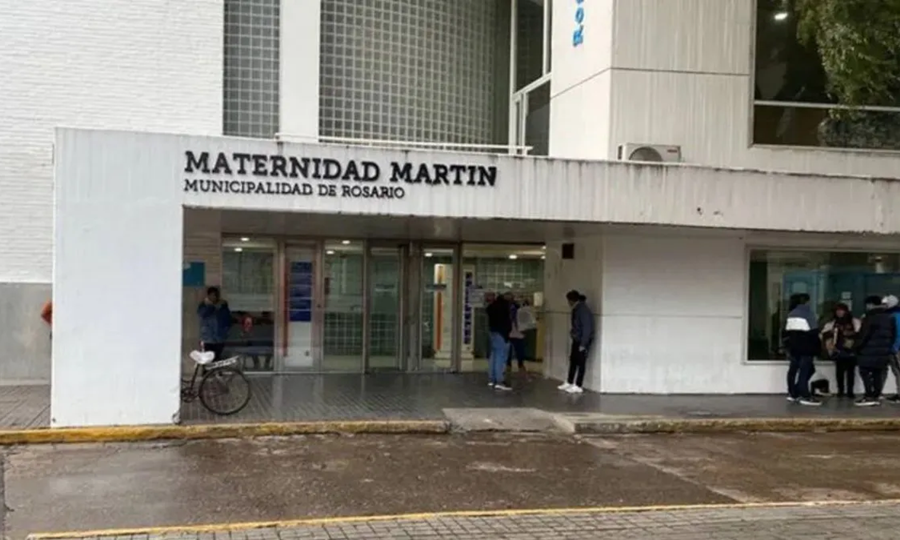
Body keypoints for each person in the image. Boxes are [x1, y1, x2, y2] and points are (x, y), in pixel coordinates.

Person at [853, 296, 897, 407]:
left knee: (865, 373)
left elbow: (864, 335)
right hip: (883, 351)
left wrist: (856, 347)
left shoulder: (870, 317)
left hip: (868, 351)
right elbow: (893, 335)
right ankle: (876, 395)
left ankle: (869, 395)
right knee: (878, 373)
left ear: (870, 305)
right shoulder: (889, 317)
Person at [783, 293, 821, 406]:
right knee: (806, 370)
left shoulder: (791, 314)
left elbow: (787, 332)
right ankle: (804, 394)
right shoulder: (808, 313)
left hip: (794, 347)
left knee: (793, 370)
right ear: (806, 301)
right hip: (807, 347)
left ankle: (793, 392)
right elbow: (814, 331)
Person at [820, 302, 860, 398]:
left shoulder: (854, 322)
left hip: (851, 350)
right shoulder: (832, 323)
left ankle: (850, 391)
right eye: (837, 311)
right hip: (838, 350)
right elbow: (823, 334)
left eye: (841, 310)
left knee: (851, 372)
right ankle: (840, 390)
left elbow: (859, 334)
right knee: (839, 372)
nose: (839, 312)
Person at [558, 290, 594, 394]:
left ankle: (578, 385)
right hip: (577, 338)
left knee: (581, 362)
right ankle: (570, 381)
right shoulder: (578, 309)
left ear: (571, 300)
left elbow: (587, 328)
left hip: (581, 340)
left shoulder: (583, 310)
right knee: (573, 360)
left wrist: (583, 343)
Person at [485, 291, 512, 391]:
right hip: (502, 334)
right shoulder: (504, 307)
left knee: (494, 356)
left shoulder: (490, 307)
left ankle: (492, 379)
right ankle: (499, 381)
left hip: (493, 333)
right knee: (501, 357)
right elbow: (507, 321)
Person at [197, 286, 232, 362]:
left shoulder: (222, 306)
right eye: (212, 295)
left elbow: (227, 319)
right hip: (207, 338)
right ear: (208, 296)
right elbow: (202, 314)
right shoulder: (204, 305)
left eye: (215, 295)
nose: (214, 297)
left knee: (217, 358)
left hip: (219, 338)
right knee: (207, 359)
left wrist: (225, 331)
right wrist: (211, 306)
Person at [881, 295, 900, 403]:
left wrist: (895, 347)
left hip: (894, 348)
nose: (883, 306)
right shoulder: (891, 315)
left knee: (897, 371)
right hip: (890, 347)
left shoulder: (895, 315)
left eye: (885, 304)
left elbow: (898, 333)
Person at [507, 293, 529, 378]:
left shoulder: (510, 309)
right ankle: (519, 366)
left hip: (513, 333)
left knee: (513, 351)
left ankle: (510, 365)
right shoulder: (520, 309)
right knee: (519, 351)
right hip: (517, 333)